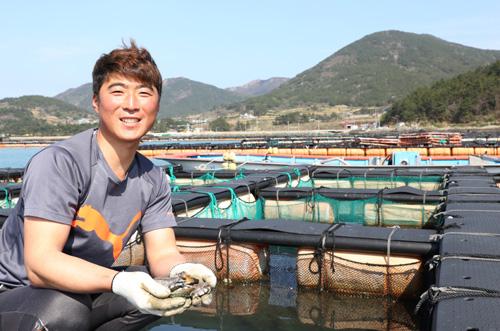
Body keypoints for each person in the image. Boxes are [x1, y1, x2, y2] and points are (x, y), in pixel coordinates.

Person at [0, 39, 216, 331]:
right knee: (64, 309)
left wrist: (183, 271)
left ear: (157, 105)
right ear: (96, 101)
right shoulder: (60, 162)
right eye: (117, 92)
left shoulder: (152, 178)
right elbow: (40, 265)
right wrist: (118, 281)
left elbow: (163, 252)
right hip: (15, 294)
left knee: (164, 286)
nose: (131, 104)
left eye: (143, 93)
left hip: (80, 292)